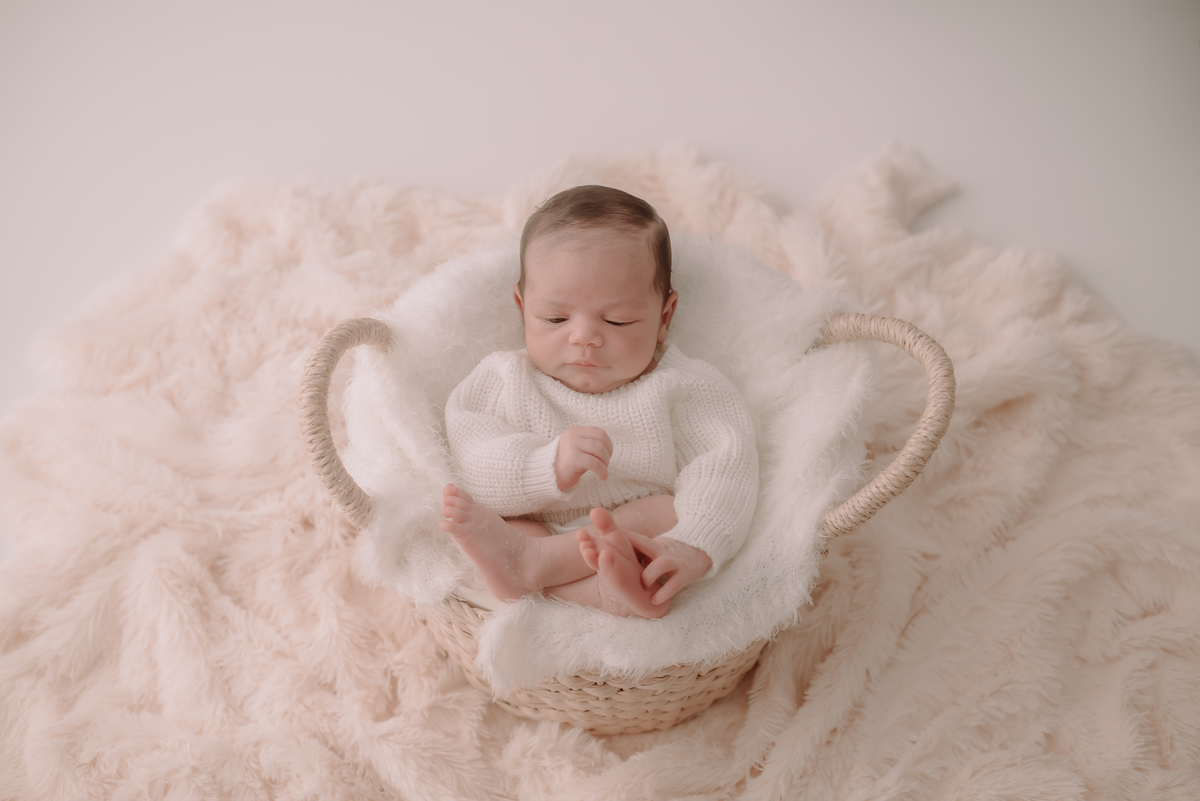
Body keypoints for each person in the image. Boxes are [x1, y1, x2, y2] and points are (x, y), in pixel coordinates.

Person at [438, 185, 758, 618]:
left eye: (617, 320)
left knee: (666, 514)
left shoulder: (685, 388)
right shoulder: (504, 380)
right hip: (536, 527)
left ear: (664, 318)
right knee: (505, 526)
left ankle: (548, 576)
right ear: (521, 307)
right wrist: (546, 465)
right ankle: (553, 570)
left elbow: (725, 468)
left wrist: (695, 546)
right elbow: (473, 458)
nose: (584, 337)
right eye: (555, 318)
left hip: (634, 538)